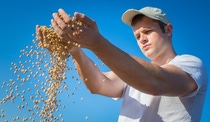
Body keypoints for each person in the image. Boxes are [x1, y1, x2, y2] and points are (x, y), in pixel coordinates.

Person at [36, 6, 208, 122]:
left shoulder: (190, 64)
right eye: (137, 36)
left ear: (168, 30)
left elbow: (156, 83)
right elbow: (98, 84)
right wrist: (75, 50)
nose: (142, 39)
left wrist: (97, 43)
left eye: (147, 31)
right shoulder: (131, 73)